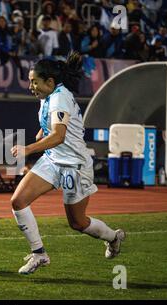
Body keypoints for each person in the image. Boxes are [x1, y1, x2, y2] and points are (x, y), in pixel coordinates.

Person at [10, 52, 125, 275]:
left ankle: (113, 237)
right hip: (53, 160)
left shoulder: (59, 97)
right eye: (30, 80)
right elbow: (56, 125)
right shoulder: (49, 96)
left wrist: (28, 149)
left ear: (49, 82)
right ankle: (39, 254)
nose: (30, 85)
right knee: (18, 201)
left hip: (74, 165)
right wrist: (43, 129)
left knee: (78, 223)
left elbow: (59, 136)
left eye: (34, 81)